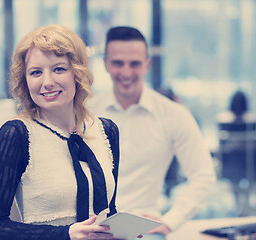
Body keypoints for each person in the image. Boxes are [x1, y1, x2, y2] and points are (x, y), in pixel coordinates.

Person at [0, 24, 121, 240]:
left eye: (59, 69)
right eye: (36, 72)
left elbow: (108, 211)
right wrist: (65, 234)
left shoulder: (106, 131)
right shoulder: (16, 135)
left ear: (78, 72)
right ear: (25, 80)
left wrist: (120, 231)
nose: (47, 82)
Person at [89, 26, 216, 239]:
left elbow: (203, 175)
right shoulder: (86, 112)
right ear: (106, 65)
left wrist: (170, 221)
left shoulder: (174, 114)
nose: (127, 72)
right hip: (92, 227)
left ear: (147, 64)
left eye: (135, 64)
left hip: (142, 229)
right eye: (118, 63)